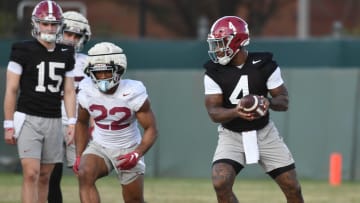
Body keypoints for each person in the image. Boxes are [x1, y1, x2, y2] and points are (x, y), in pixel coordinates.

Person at [203, 16, 304, 203]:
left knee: (292, 187)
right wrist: (236, 111)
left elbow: (283, 101)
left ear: (237, 41)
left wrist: (267, 102)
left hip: (264, 133)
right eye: (215, 44)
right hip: (231, 134)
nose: (217, 49)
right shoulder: (213, 72)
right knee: (220, 181)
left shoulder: (264, 64)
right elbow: (213, 112)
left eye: (221, 43)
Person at [3, 1, 76, 203]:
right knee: (31, 173)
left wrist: (71, 122)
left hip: (54, 118)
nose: (50, 28)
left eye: (53, 24)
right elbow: (11, 89)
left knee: (45, 177)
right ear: (36, 24)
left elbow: (69, 91)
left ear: (60, 25)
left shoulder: (66, 53)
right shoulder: (22, 50)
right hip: (28, 117)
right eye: (45, 23)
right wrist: (8, 123)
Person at [72, 42, 158, 203]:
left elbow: (151, 129)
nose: (102, 76)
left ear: (118, 69)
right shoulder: (86, 89)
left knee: (134, 199)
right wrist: (79, 155)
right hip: (100, 146)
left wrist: (136, 153)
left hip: (128, 147)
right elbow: (82, 122)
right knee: (84, 173)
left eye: (106, 71)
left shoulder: (132, 91)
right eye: (97, 73)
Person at [48, 10, 92, 203]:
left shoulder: (87, 62)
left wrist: (92, 125)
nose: (72, 39)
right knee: (51, 175)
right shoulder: (45, 57)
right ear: (59, 31)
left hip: (79, 124)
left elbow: (93, 97)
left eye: (76, 35)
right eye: (68, 33)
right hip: (52, 121)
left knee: (84, 173)